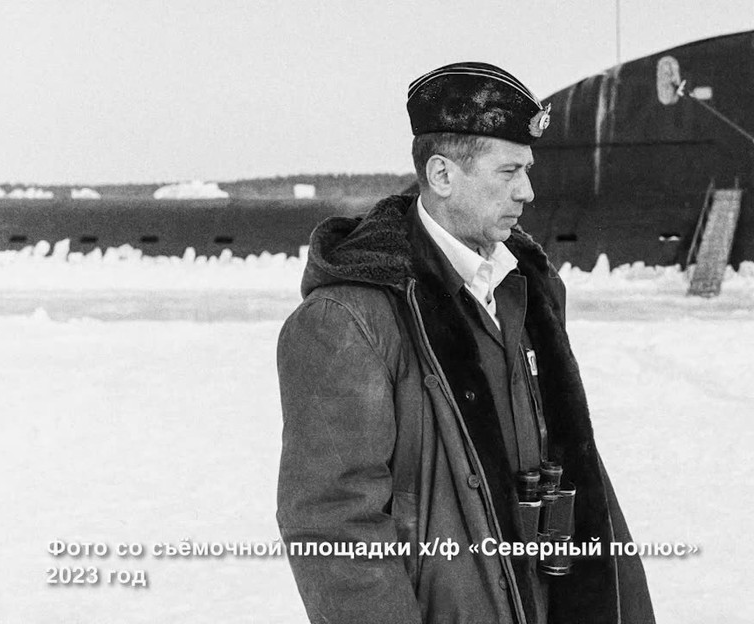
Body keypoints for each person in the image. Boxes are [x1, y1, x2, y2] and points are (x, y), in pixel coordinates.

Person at [275, 62, 656, 624]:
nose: (527, 191)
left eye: (527, 169)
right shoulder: (348, 320)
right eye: (508, 171)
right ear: (442, 175)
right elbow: (333, 523)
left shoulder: (527, 290)